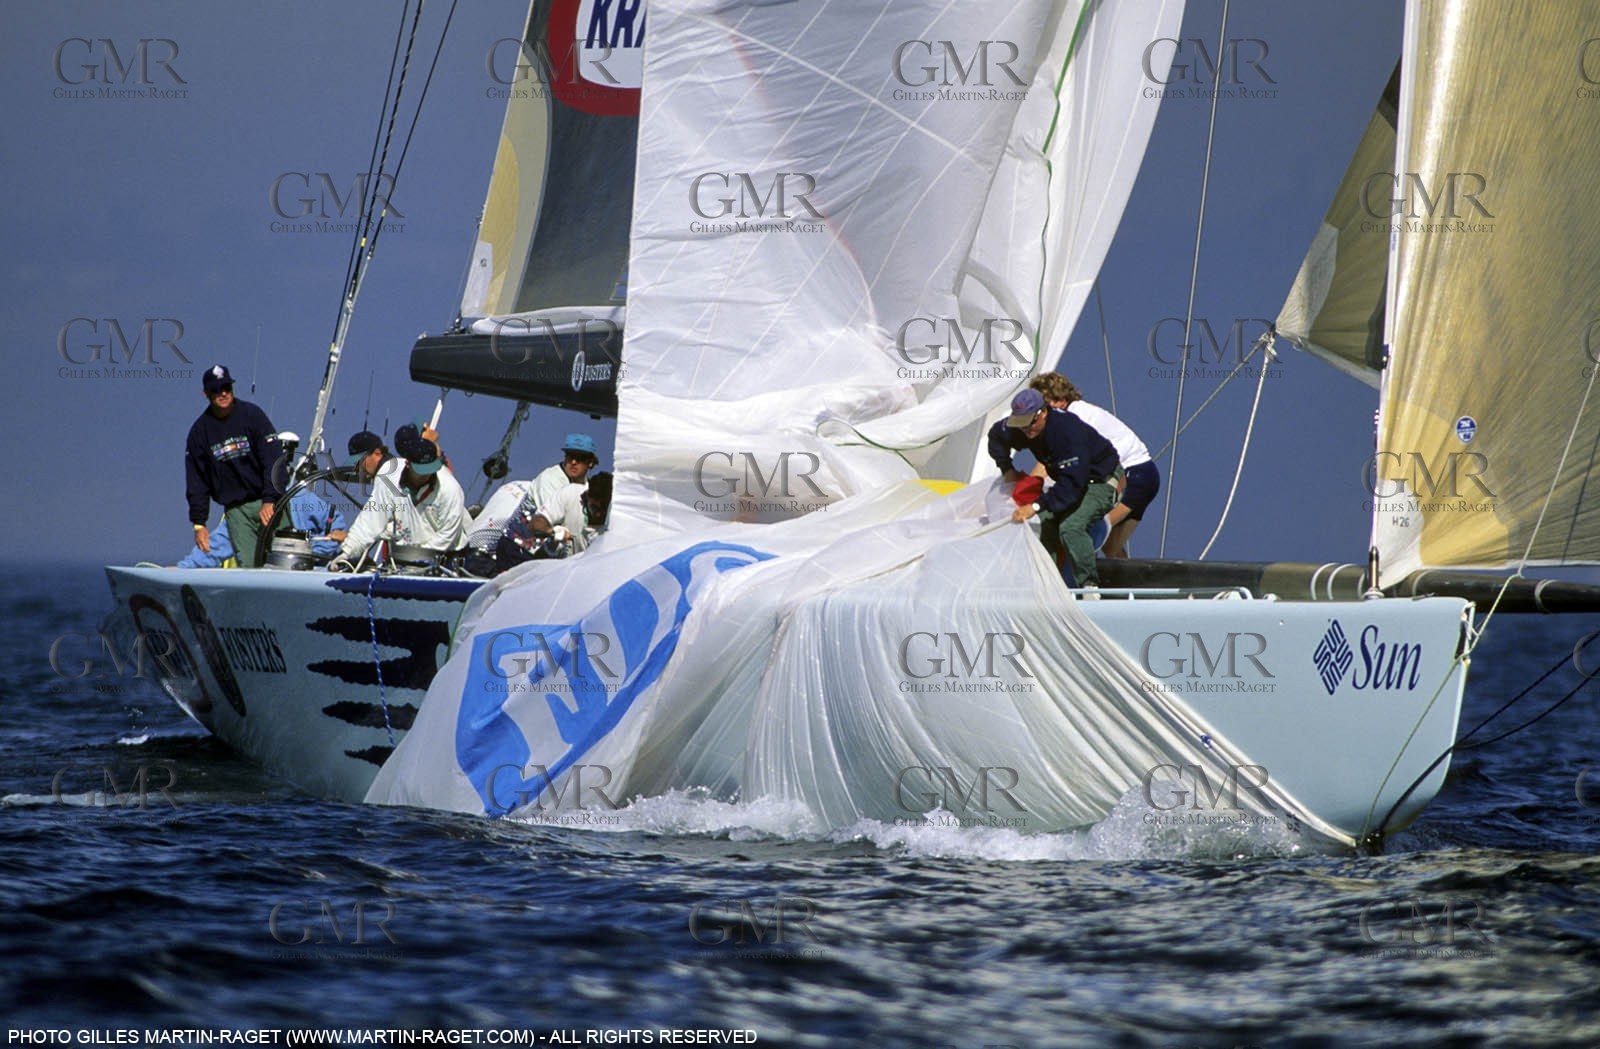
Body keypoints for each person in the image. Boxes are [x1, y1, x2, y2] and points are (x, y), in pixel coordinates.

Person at [988, 388, 1121, 588]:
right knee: (1043, 524)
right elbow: (996, 436)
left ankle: (1089, 587)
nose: (1026, 430)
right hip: (1069, 481)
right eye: (1020, 424)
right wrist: (1006, 468)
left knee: (1071, 527)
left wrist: (1033, 506)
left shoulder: (1067, 433)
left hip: (1099, 481)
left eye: (1030, 423)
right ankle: (1045, 585)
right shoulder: (1023, 427)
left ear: (1043, 413)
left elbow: (1072, 487)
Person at [1031, 373, 1160, 559]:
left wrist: (1022, 492)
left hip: (1132, 476)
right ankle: (1128, 586)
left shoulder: (1073, 416)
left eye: (1043, 406)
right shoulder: (1078, 413)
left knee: (1085, 529)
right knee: (1111, 547)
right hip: (1144, 476)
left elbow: (1048, 465)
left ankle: (1076, 583)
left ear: (1061, 400)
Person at [329, 423, 468, 570]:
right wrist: (346, 553)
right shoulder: (389, 479)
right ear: (407, 463)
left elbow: (447, 534)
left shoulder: (451, 488)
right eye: (420, 470)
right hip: (406, 562)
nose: (425, 475)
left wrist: (418, 558)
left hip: (448, 561)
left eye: (429, 469)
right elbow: (370, 521)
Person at [185, 364, 281, 567]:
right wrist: (199, 524)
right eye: (216, 390)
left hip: (268, 502)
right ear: (206, 394)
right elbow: (197, 482)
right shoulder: (199, 433)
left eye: (226, 387)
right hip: (237, 510)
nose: (223, 394)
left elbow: (274, 458)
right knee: (249, 565)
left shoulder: (252, 415)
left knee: (282, 556)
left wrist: (270, 498)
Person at [465, 433, 601, 553]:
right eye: (570, 456)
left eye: (580, 458)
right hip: (519, 549)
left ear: (590, 463)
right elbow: (552, 519)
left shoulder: (588, 489)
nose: (573, 462)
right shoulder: (551, 479)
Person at [177, 488, 349, 568]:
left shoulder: (303, 500)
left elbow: (337, 528)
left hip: (316, 573)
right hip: (269, 576)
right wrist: (183, 568)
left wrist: (307, 549)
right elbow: (217, 544)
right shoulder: (244, 509)